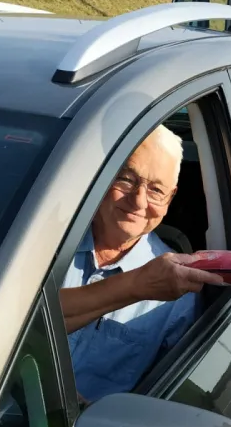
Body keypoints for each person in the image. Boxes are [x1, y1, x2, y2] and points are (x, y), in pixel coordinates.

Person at [59, 124, 222, 404]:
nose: (138, 201)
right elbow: (10, 323)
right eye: (127, 179)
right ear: (104, 176)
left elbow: (163, 401)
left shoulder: (177, 294)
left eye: (156, 190)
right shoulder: (49, 243)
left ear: (170, 199)